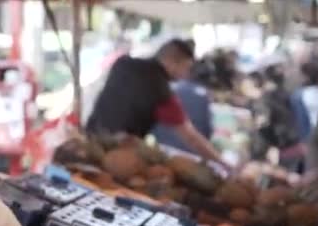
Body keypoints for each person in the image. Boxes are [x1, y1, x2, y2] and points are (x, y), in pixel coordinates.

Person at [86, 38, 226, 167]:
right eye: (186, 68)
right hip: (115, 157)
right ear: (173, 62)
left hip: (87, 140)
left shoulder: (123, 63)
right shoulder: (160, 89)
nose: (186, 74)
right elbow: (190, 137)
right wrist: (222, 163)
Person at [152, 59, 215, 154]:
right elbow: (207, 131)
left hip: (160, 147)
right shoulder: (203, 96)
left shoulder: (168, 87)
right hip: (190, 153)